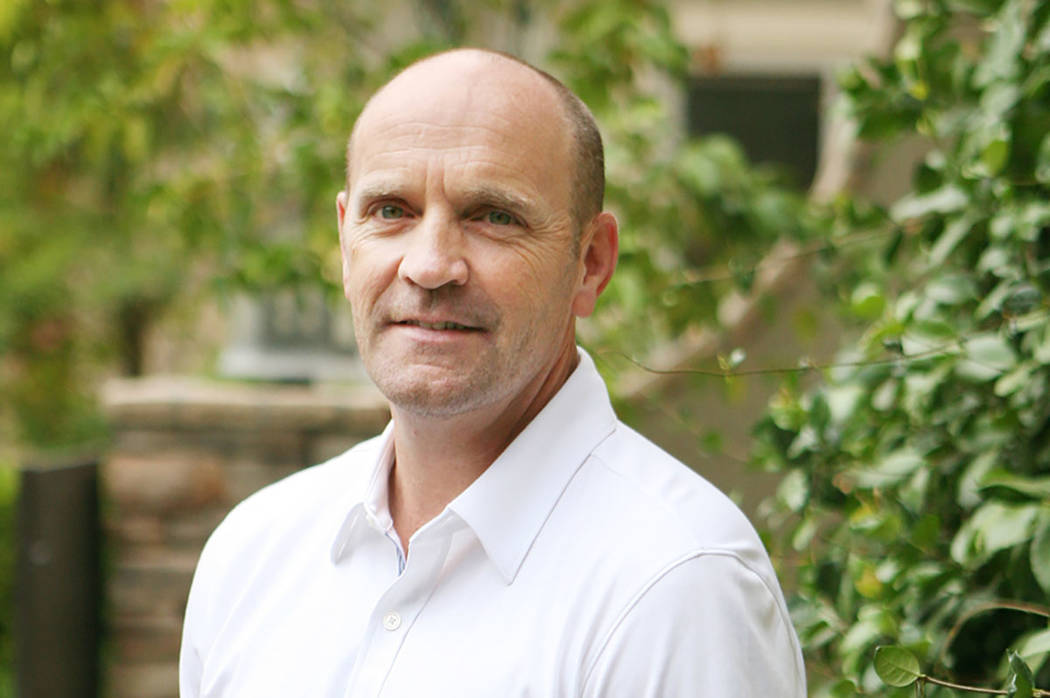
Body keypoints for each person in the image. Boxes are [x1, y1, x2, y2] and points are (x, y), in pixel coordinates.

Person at [179, 48, 805, 697]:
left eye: (493, 217)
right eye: (391, 210)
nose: (429, 265)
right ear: (345, 241)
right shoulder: (253, 553)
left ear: (590, 262)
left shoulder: (676, 585)